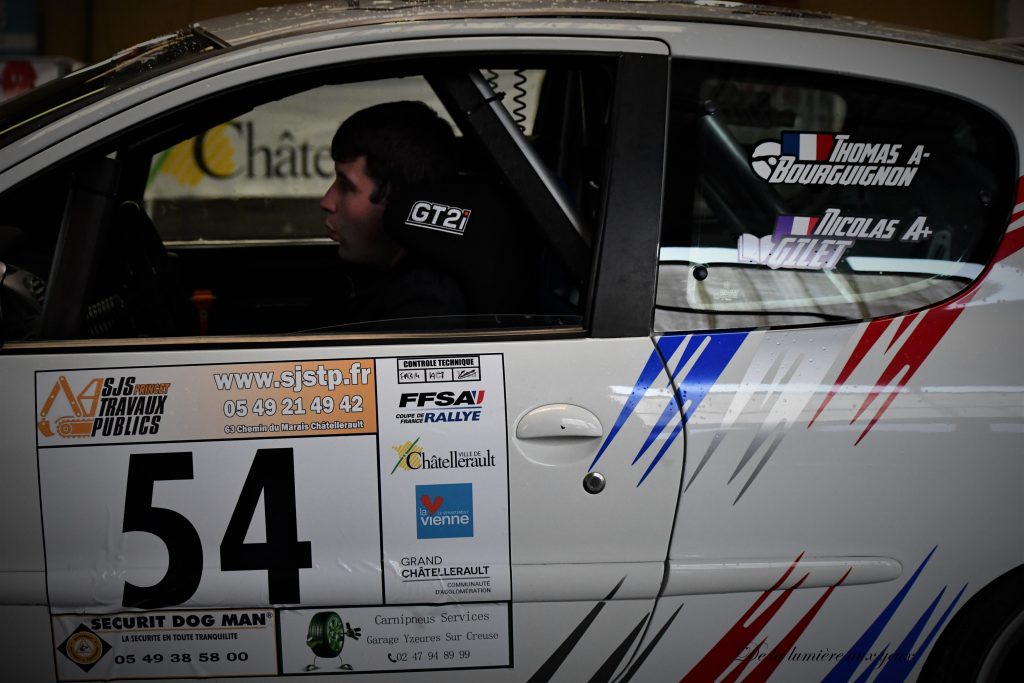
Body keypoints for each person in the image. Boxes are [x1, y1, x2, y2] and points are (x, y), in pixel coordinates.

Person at [319, 100, 466, 326]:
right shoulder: (388, 283)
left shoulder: (424, 309)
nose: (327, 201)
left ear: (402, 203)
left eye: (347, 186)